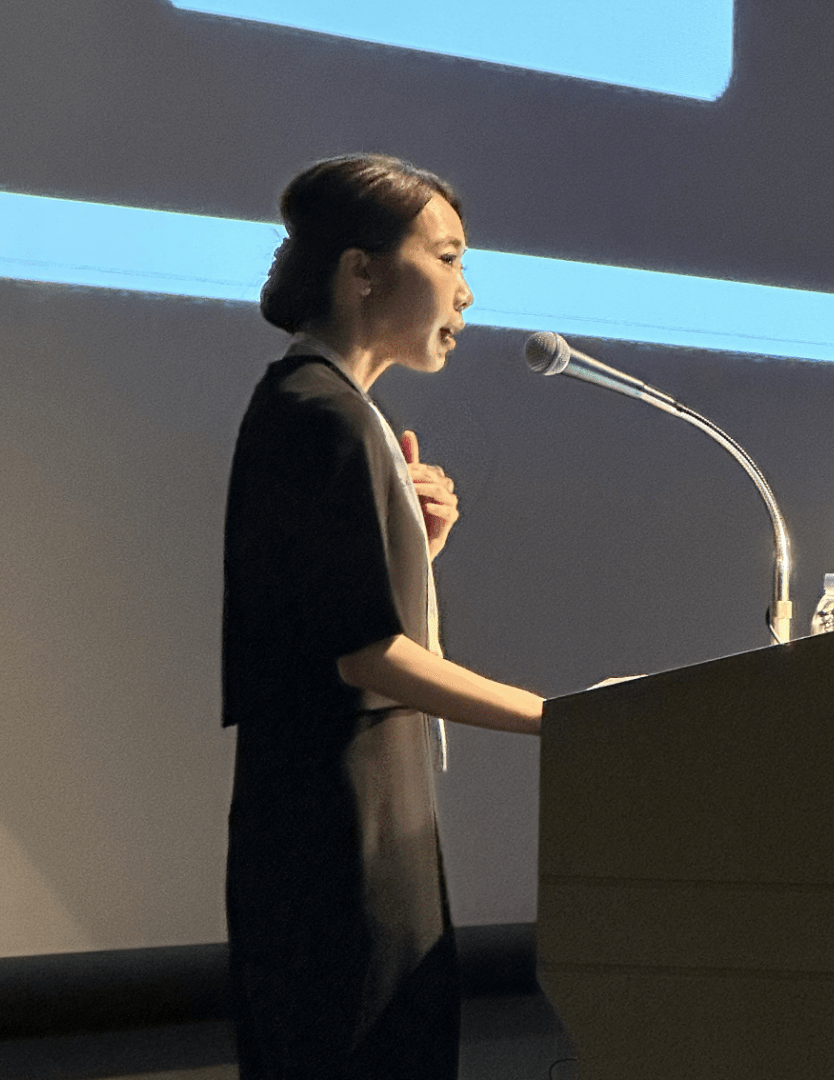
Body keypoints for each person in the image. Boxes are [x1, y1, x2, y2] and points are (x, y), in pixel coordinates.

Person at [222, 153, 544, 1080]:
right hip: (336, 833)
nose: (466, 291)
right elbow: (363, 655)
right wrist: (558, 719)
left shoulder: (328, 406)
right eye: (446, 258)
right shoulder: (319, 412)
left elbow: (322, 618)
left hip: (351, 813)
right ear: (360, 272)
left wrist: (414, 550)